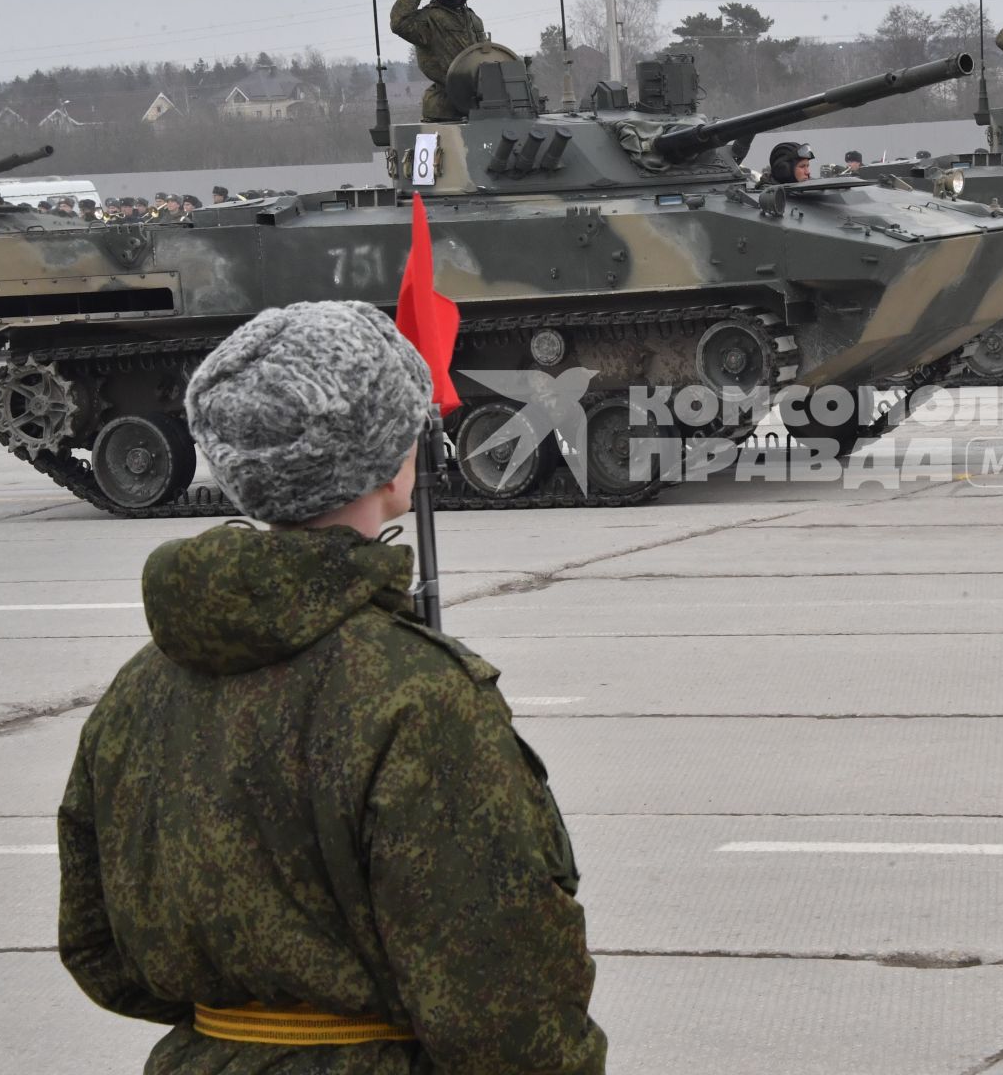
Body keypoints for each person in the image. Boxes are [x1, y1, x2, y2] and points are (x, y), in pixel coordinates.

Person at [57, 300, 607, 1074]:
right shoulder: (415, 695)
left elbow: (96, 943)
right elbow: (507, 1012)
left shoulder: (141, 688)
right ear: (392, 467)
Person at [390, 0, 488, 121]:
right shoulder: (429, 18)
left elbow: (485, 57)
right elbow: (399, 22)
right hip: (443, 111)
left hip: (479, 105)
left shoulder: (473, 20)